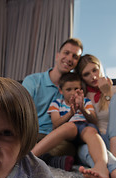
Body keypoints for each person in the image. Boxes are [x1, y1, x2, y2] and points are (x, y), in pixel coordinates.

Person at [32, 72, 110, 178]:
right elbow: (56, 124)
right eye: (69, 90)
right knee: (69, 126)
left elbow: (94, 120)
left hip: (85, 127)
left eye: (76, 89)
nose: (73, 92)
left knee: (91, 131)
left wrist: (82, 108)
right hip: (69, 130)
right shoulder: (57, 103)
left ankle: (102, 168)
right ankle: (30, 157)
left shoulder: (86, 101)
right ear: (61, 91)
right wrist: (70, 114)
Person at [22, 38, 83, 170]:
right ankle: (48, 159)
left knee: (70, 148)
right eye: (66, 53)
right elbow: (21, 112)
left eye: (75, 57)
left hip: (55, 140)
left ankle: (34, 156)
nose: (69, 58)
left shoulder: (74, 89)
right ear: (57, 55)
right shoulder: (33, 81)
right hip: (31, 134)